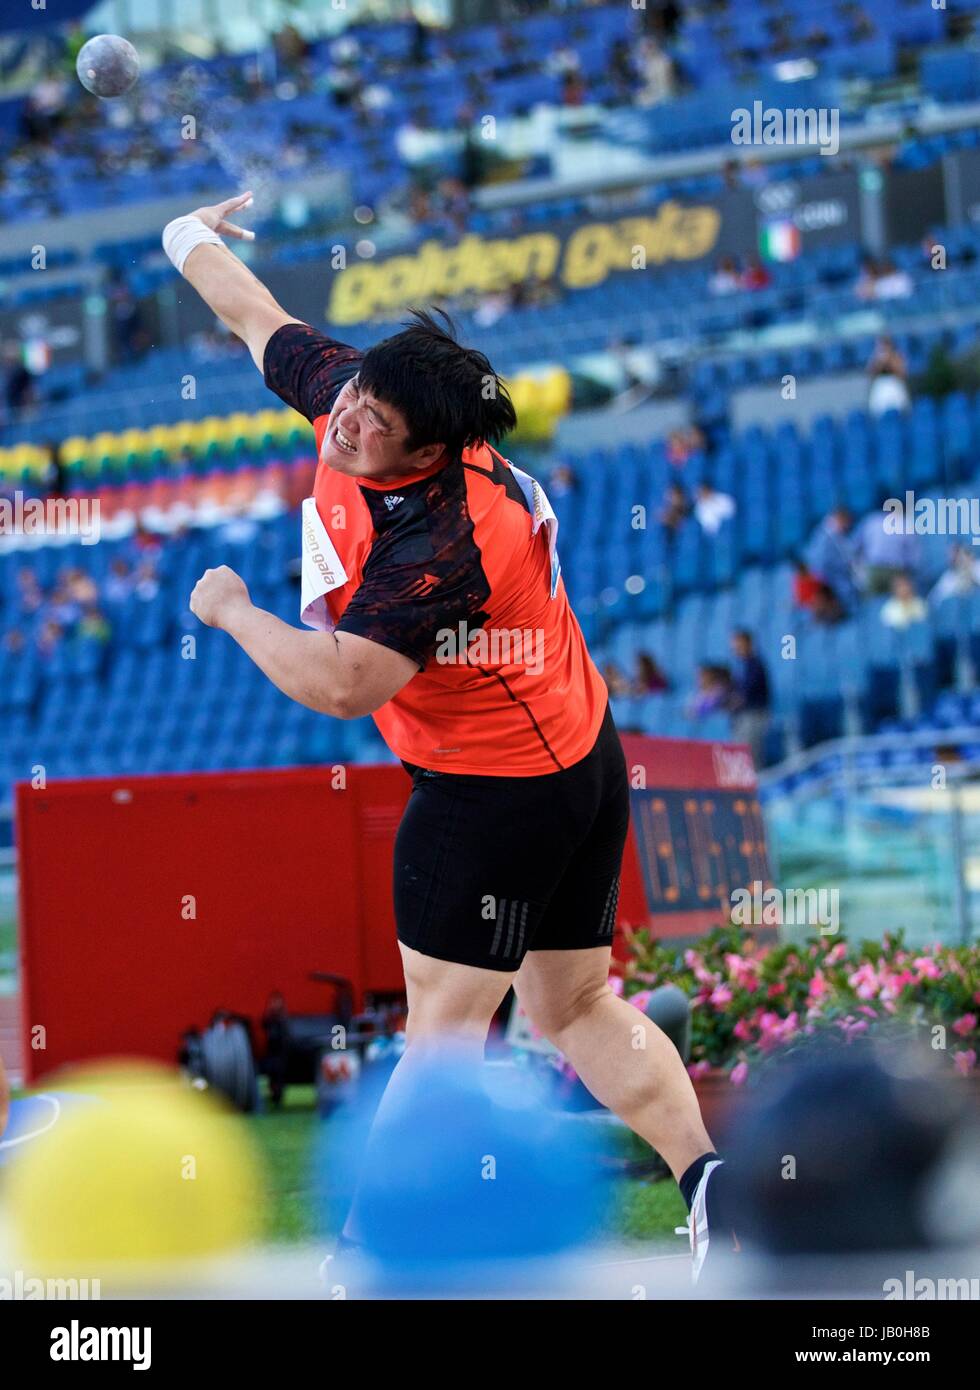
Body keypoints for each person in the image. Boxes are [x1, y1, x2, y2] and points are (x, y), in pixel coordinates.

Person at [165, 192, 735, 1277]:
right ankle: (714, 1188)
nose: (350, 425)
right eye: (357, 401)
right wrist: (184, 234)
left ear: (432, 450)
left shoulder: (441, 544)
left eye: (378, 427)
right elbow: (252, 318)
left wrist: (233, 611)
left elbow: (341, 686)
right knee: (572, 1005)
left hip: (493, 793)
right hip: (576, 751)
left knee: (441, 1031)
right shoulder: (359, 391)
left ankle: (365, 1251)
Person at [728, 629, 770, 767]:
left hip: (754, 714)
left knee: (751, 753)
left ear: (749, 643)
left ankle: (757, 781)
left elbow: (748, 691)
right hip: (742, 716)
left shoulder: (756, 665)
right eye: (734, 645)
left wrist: (734, 701)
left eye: (739, 644)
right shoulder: (740, 667)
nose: (736, 648)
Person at [867, 334, 909, 418]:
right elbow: (870, 375)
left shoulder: (897, 356)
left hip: (894, 387)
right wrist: (879, 362)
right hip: (880, 388)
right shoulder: (875, 358)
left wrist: (890, 360)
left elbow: (902, 374)